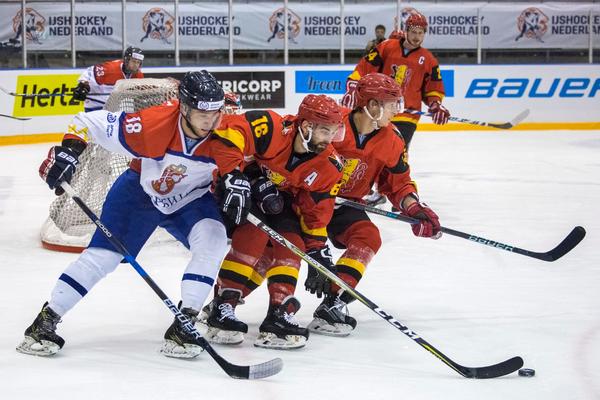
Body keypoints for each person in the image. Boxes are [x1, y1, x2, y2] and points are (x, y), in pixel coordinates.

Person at [17, 71, 229, 360]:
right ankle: (46, 320)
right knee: (102, 258)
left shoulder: (229, 128)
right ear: (185, 108)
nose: (211, 121)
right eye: (203, 113)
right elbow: (85, 122)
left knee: (214, 242)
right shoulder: (149, 124)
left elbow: (261, 149)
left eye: (216, 112)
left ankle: (186, 322)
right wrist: (68, 151)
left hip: (191, 199)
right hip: (140, 194)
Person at [202, 94, 345, 349]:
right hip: (238, 193)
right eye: (325, 131)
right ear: (306, 126)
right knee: (255, 234)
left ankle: (279, 312)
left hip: (278, 201)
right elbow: (227, 134)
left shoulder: (330, 166)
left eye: (334, 131)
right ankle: (223, 305)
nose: (330, 140)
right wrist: (237, 175)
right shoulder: (270, 125)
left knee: (293, 242)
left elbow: (316, 211)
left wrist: (316, 250)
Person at [308, 72, 443, 336]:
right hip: (308, 204)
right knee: (275, 246)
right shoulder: (333, 127)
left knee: (368, 237)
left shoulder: (392, 139)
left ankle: (334, 301)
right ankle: (228, 300)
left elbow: (398, 182)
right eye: (392, 104)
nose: (397, 110)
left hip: (345, 207)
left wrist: (414, 207)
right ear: (372, 106)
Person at [342, 12, 449, 149]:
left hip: (406, 117)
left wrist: (436, 104)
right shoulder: (387, 47)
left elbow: (433, 88)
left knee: (396, 154)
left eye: (420, 33)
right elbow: (364, 68)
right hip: (379, 111)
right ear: (406, 31)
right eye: (413, 32)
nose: (416, 37)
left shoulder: (429, 60)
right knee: (368, 151)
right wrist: (353, 87)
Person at [73, 46, 144, 112]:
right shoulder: (111, 68)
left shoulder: (138, 75)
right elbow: (90, 71)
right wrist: (82, 85)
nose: (135, 65)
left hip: (113, 107)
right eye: (133, 61)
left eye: (138, 62)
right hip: (95, 104)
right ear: (126, 60)